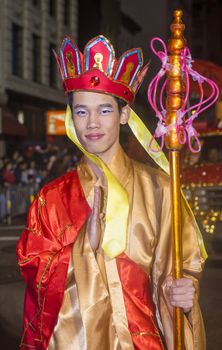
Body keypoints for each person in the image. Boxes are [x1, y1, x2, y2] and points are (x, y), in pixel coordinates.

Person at [17, 35, 206, 350]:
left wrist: (185, 294)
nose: (92, 122)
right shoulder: (51, 200)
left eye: (104, 110)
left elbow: (185, 265)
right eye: (81, 112)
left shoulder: (161, 190)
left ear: (124, 115)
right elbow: (35, 281)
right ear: (71, 118)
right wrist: (82, 248)